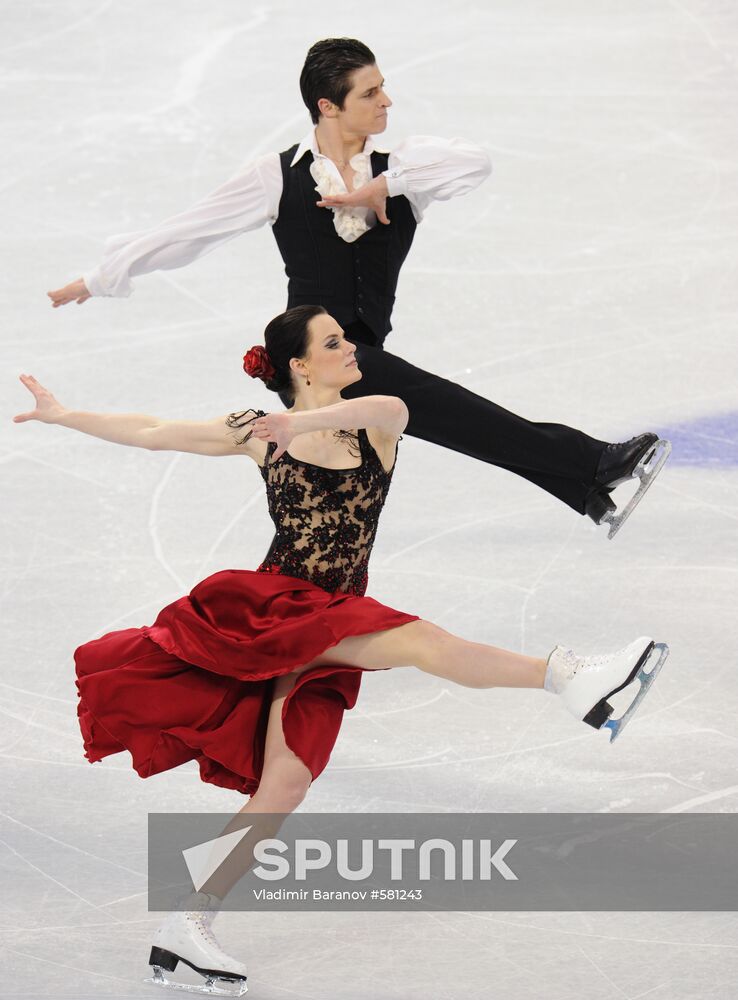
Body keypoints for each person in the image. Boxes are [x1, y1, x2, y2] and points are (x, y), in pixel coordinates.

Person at [15, 304, 668, 994]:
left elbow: (393, 406)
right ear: (300, 365)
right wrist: (64, 415)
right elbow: (152, 431)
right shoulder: (256, 433)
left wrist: (303, 421)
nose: (350, 348)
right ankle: (571, 678)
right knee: (420, 642)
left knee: (286, 782)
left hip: (330, 616)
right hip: (276, 611)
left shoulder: (370, 427)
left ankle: (187, 925)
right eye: (332, 343)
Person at [47, 37, 669, 538]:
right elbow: (193, 229)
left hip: (356, 352)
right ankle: (592, 466)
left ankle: (584, 488)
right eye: (369, 94)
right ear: (328, 105)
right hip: (313, 354)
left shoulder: (402, 170)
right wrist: (101, 278)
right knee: (454, 408)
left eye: (383, 88)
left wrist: (385, 189)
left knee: (456, 420)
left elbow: (476, 162)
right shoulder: (278, 175)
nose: (386, 102)